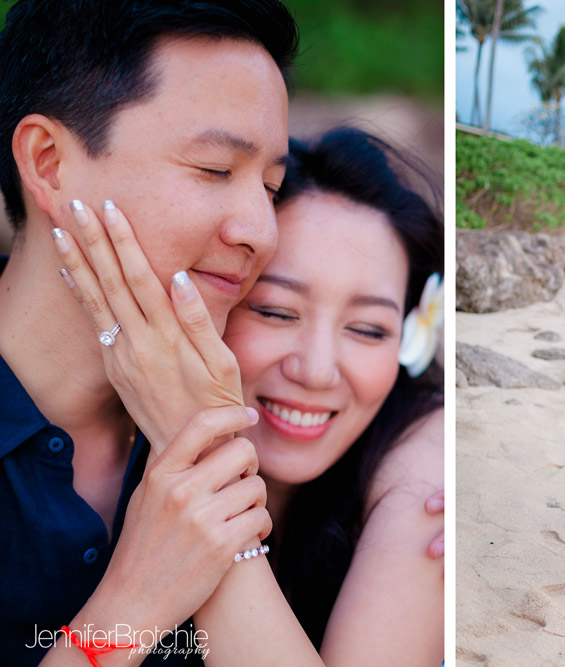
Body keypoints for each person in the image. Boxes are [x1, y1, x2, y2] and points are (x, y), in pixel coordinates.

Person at [52, 128, 445, 663]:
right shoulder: (80, 465)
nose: (317, 371)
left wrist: (204, 459)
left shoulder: (422, 462)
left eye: (369, 330)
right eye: (276, 311)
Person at [0, 1, 301, 664]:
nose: (260, 230)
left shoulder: (251, 399)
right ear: (49, 163)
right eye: (215, 169)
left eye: (273, 186)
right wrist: (134, 602)